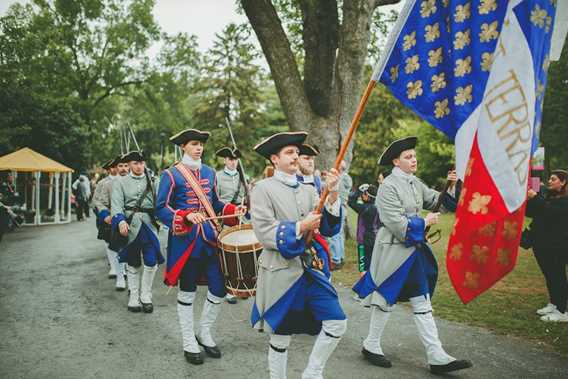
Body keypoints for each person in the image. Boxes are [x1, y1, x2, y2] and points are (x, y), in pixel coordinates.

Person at [352, 136, 472, 375]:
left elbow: (438, 202)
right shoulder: (388, 186)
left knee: (421, 301)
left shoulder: (415, 183)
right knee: (385, 299)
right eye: (408, 157)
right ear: (396, 162)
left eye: (414, 156)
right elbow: (395, 223)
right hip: (393, 252)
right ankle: (371, 343)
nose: (414, 159)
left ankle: (435, 354)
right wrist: (424, 221)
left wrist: (451, 185)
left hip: (413, 251)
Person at [250, 131, 347, 379]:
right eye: (289, 152)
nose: (296, 157)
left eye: (297, 152)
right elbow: (264, 232)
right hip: (280, 272)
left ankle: (312, 373)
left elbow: (327, 227)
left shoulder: (308, 190)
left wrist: (332, 193)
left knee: (337, 323)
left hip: (309, 270)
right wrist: (300, 227)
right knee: (281, 336)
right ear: (274, 159)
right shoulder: (262, 189)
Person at [155, 128, 246, 365]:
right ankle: (188, 339)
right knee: (187, 290)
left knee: (218, 288)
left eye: (201, 144)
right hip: (186, 243)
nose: (199, 148)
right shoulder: (171, 175)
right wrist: (184, 215)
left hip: (210, 240)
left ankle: (204, 332)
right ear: (183, 147)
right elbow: (161, 208)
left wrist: (232, 211)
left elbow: (215, 203)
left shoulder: (209, 172)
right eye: (194, 144)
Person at [112, 151, 163, 313]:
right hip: (130, 226)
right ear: (129, 165)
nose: (139, 166)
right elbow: (116, 204)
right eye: (135, 163)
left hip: (149, 226)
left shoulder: (154, 180)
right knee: (133, 262)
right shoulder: (120, 182)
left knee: (151, 261)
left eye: (141, 163)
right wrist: (120, 220)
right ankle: (134, 297)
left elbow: (161, 201)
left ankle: (145, 295)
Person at [526, 169, 568, 322]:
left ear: (563, 182)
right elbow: (534, 212)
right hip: (543, 244)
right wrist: (530, 200)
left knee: (557, 276)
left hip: (557, 245)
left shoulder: (564, 200)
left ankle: (562, 311)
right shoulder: (550, 197)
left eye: (553, 179)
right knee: (550, 276)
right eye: (550, 179)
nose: (550, 181)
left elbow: (549, 211)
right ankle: (554, 303)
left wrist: (535, 197)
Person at [215, 146, 247, 305]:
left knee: (240, 254)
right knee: (226, 255)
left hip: (241, 218)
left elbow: (247, 199)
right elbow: (216, 200)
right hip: (225, 217)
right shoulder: (217, 177)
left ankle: (238, 284)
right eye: (230, 159)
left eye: (235, 159)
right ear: (225, 160)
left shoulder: (244, 178)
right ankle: (227, 288)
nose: (233, 162)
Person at [91, 156, 126, 290]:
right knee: (113, 245)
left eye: (125, 166)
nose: (123, 169)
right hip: (110, 219)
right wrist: (104, 216)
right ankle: (118, 272)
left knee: (127, 247)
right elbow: (96, 202)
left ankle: (124, 270)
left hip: (129, 219)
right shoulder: (104, 183)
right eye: (120, 166)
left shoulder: (133, 181)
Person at [348, 183, 379, 274]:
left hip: (363, 242)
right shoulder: (377, 207)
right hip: (375, 240)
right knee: (373, 267)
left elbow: (351, 202)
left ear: (367, 196)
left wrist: (358, 190)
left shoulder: (365, 209)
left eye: (364, 194)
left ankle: (364, 286)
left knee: (363, 268)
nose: (362, 196)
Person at [328, 160, 352, 269]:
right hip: (344, 206)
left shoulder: (342, 178)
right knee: (340, 233)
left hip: (339, 206)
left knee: (335, 233)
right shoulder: (348, 178)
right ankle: (341, 256)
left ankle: (336, 259)